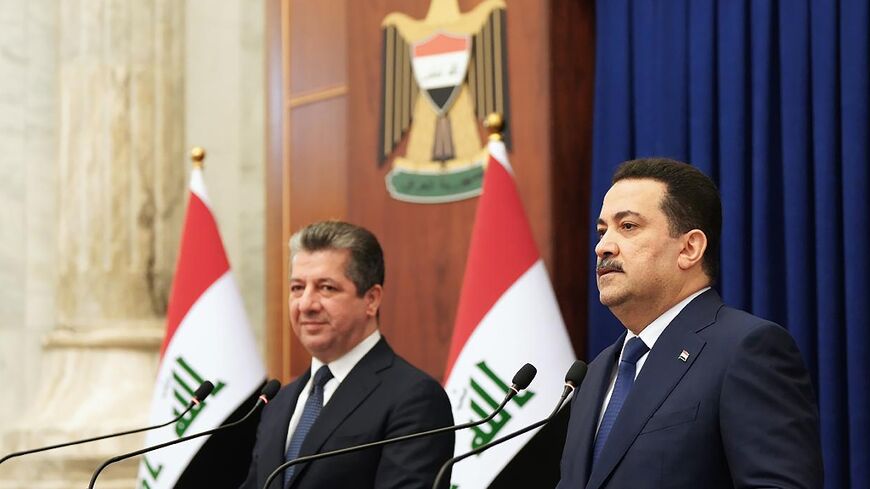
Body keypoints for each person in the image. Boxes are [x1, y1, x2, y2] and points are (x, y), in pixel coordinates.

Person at [557, 159, 823, 488]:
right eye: (602, 231)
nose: (602, 247)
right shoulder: (594, 375)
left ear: (689, 248)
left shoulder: (745, 350)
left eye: (627, 226)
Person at [239, 220, 454, 489]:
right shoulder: (279, 402)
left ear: (372, 299)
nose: (306, 304)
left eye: (326, 287)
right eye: (297, 288)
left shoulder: (414, 399)